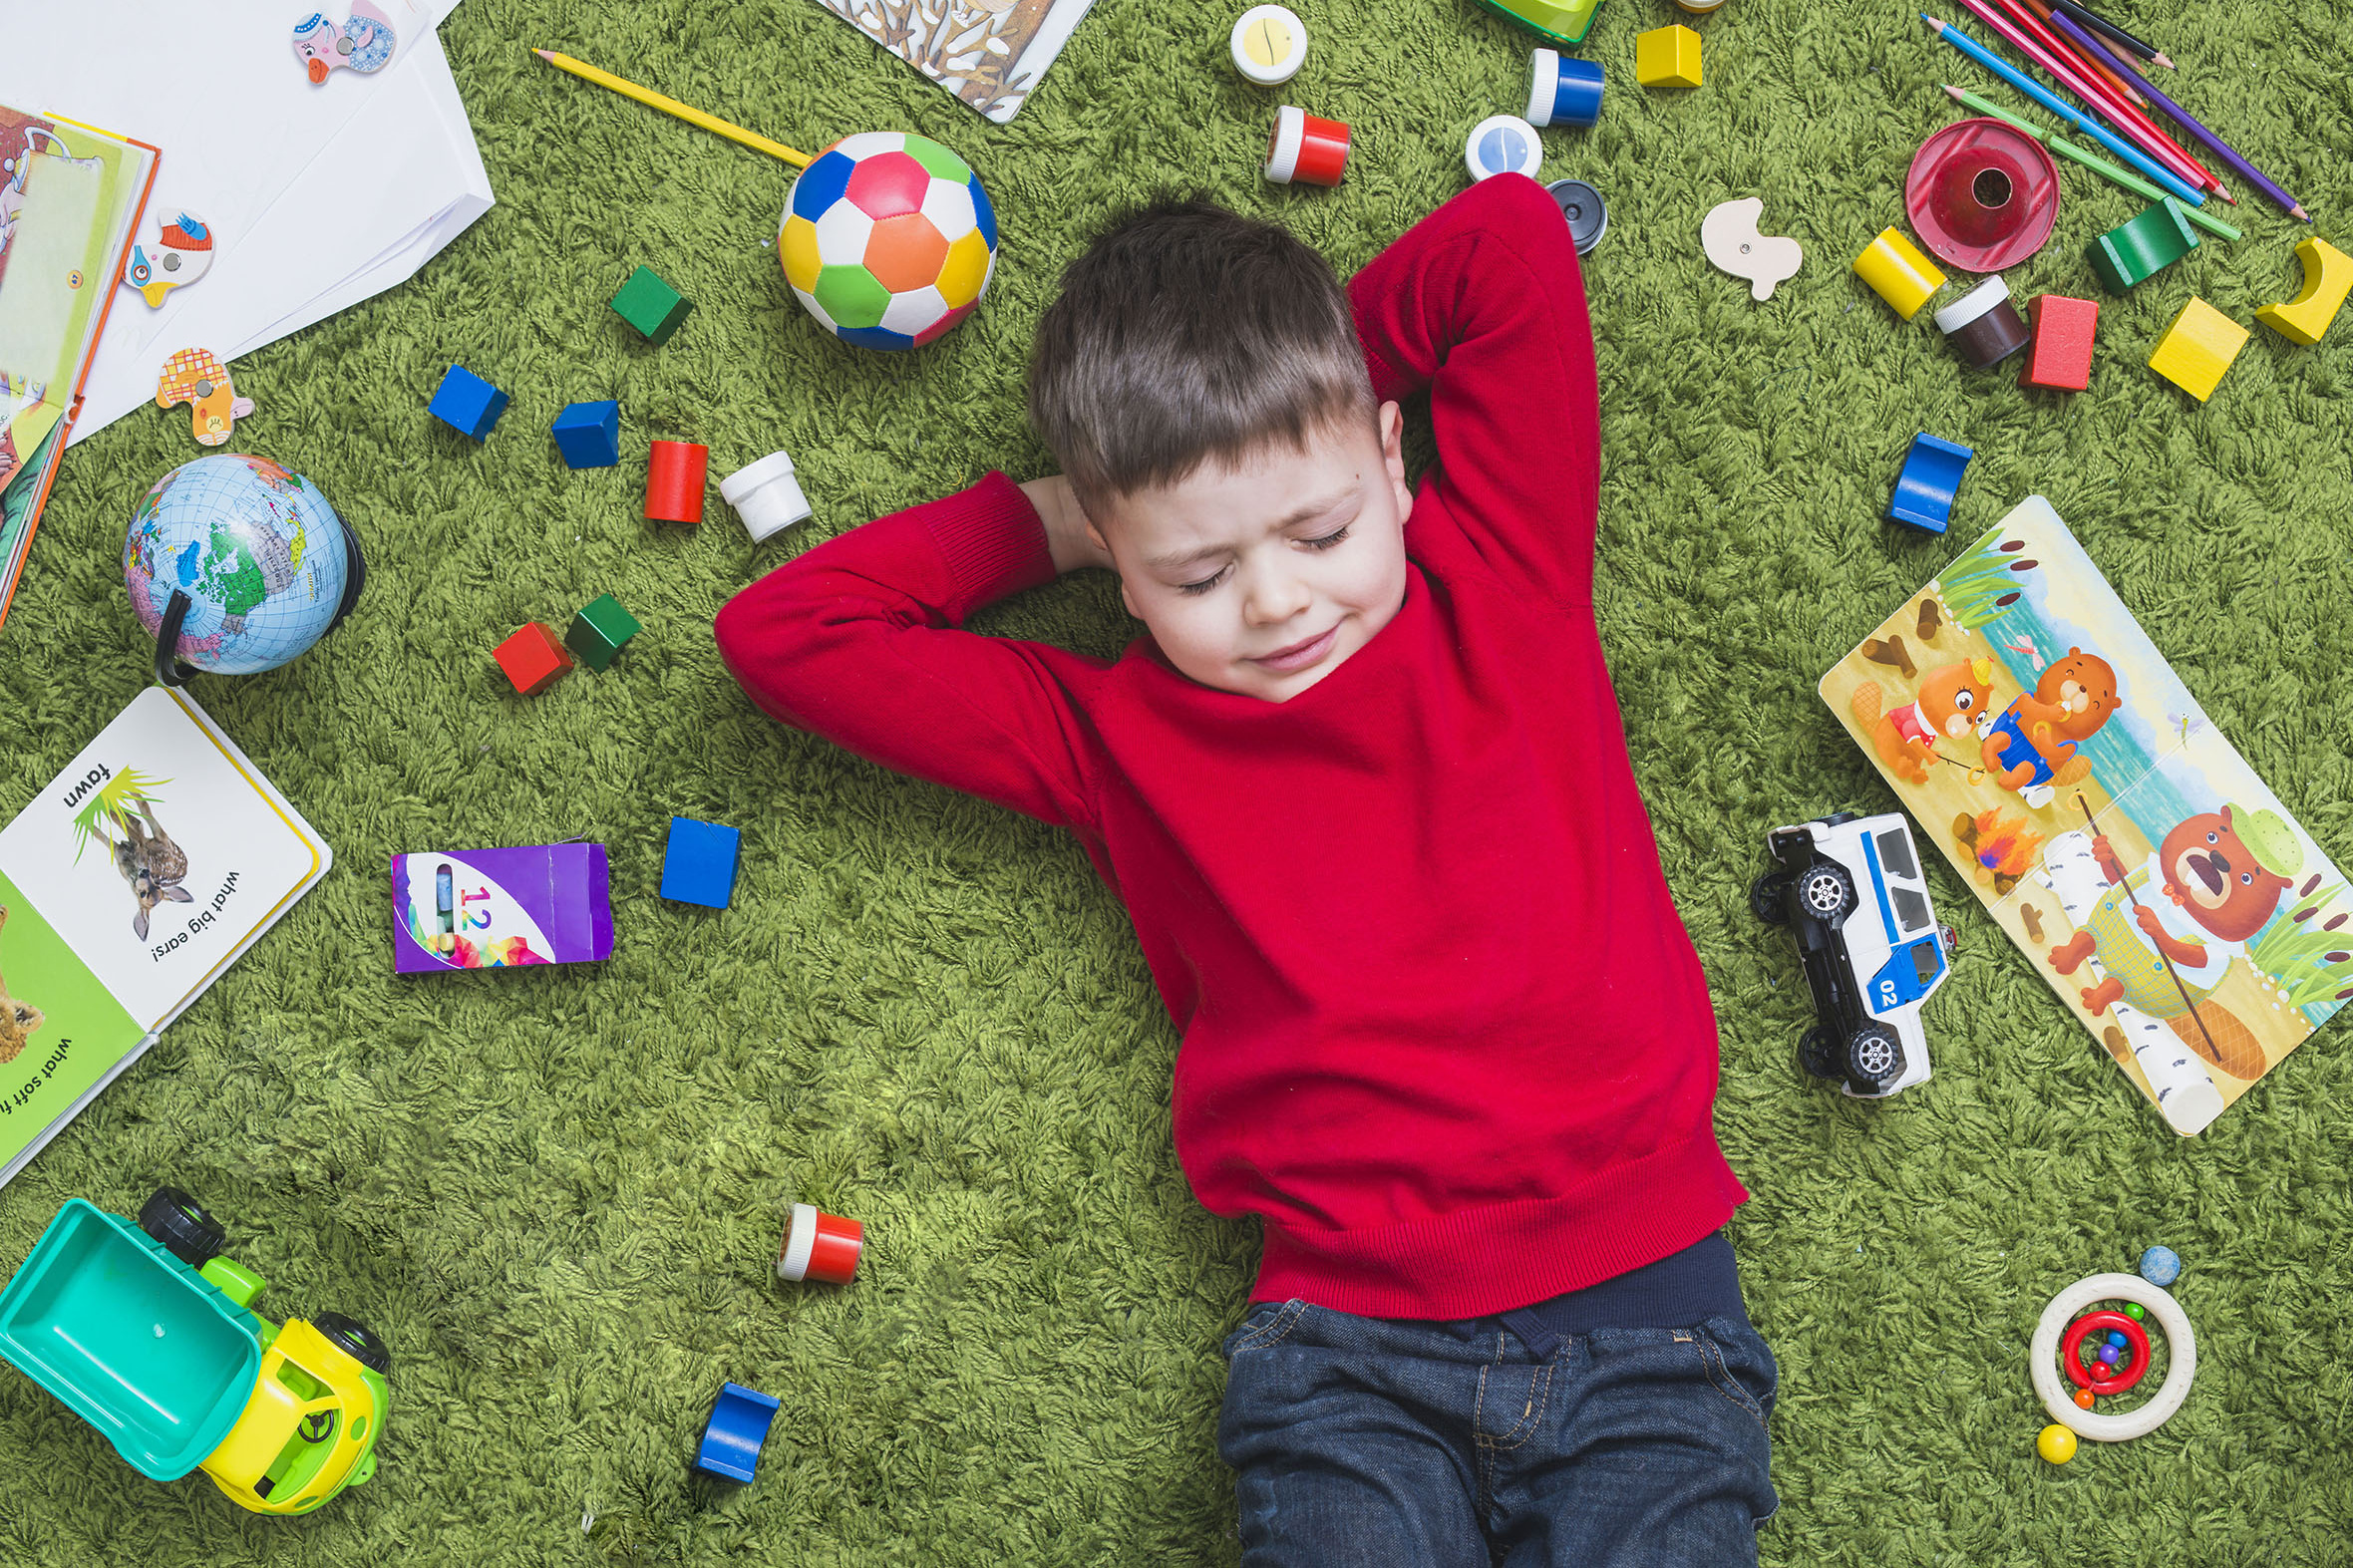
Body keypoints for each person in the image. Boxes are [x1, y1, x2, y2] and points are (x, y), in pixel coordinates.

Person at [715, 173, 1777, 1564]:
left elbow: (1507, 241)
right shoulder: (1102, 734)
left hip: (1650, 1331)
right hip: (1351, 1368)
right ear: (1123, 569)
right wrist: (1058, 512)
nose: (1277, 600)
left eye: (1322, 532)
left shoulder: (1499, 575)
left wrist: (1296, 402)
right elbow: (787, 632)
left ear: (1395, 465)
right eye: (1199, 572)